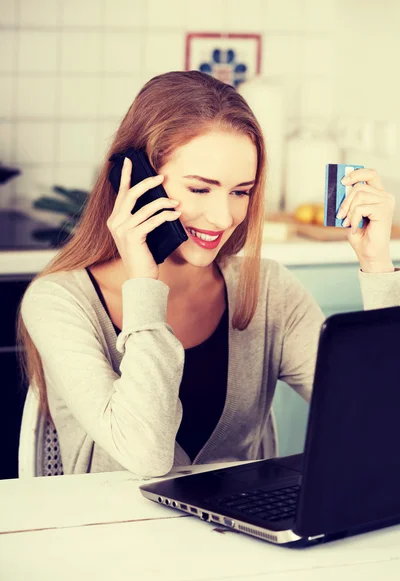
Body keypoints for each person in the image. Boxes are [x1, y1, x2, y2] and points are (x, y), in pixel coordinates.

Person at [18, 70, 399, 477]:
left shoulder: (269, 290)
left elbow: (380, 421)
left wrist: (379, 268)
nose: (223, 217)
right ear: (138, 181)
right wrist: (144, 285)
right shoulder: (58, 301)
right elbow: (146, 455)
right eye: (200, 189)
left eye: (240, 191)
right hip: (110, 536)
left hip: (243, 539)